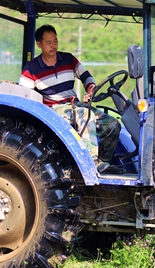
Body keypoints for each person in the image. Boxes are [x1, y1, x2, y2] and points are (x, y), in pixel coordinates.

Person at [19, 24, 123, 174]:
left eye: (55, 41)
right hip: (54, 110)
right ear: (39, 44)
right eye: (49, 43)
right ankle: (90, 164)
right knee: (84, 116)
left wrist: (90, 90)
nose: (53, 46)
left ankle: (103, 163)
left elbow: (86, 76)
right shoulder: (31, 69)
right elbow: (25, 97)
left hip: (75, 104)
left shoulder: (68, 59)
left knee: (112, 124)